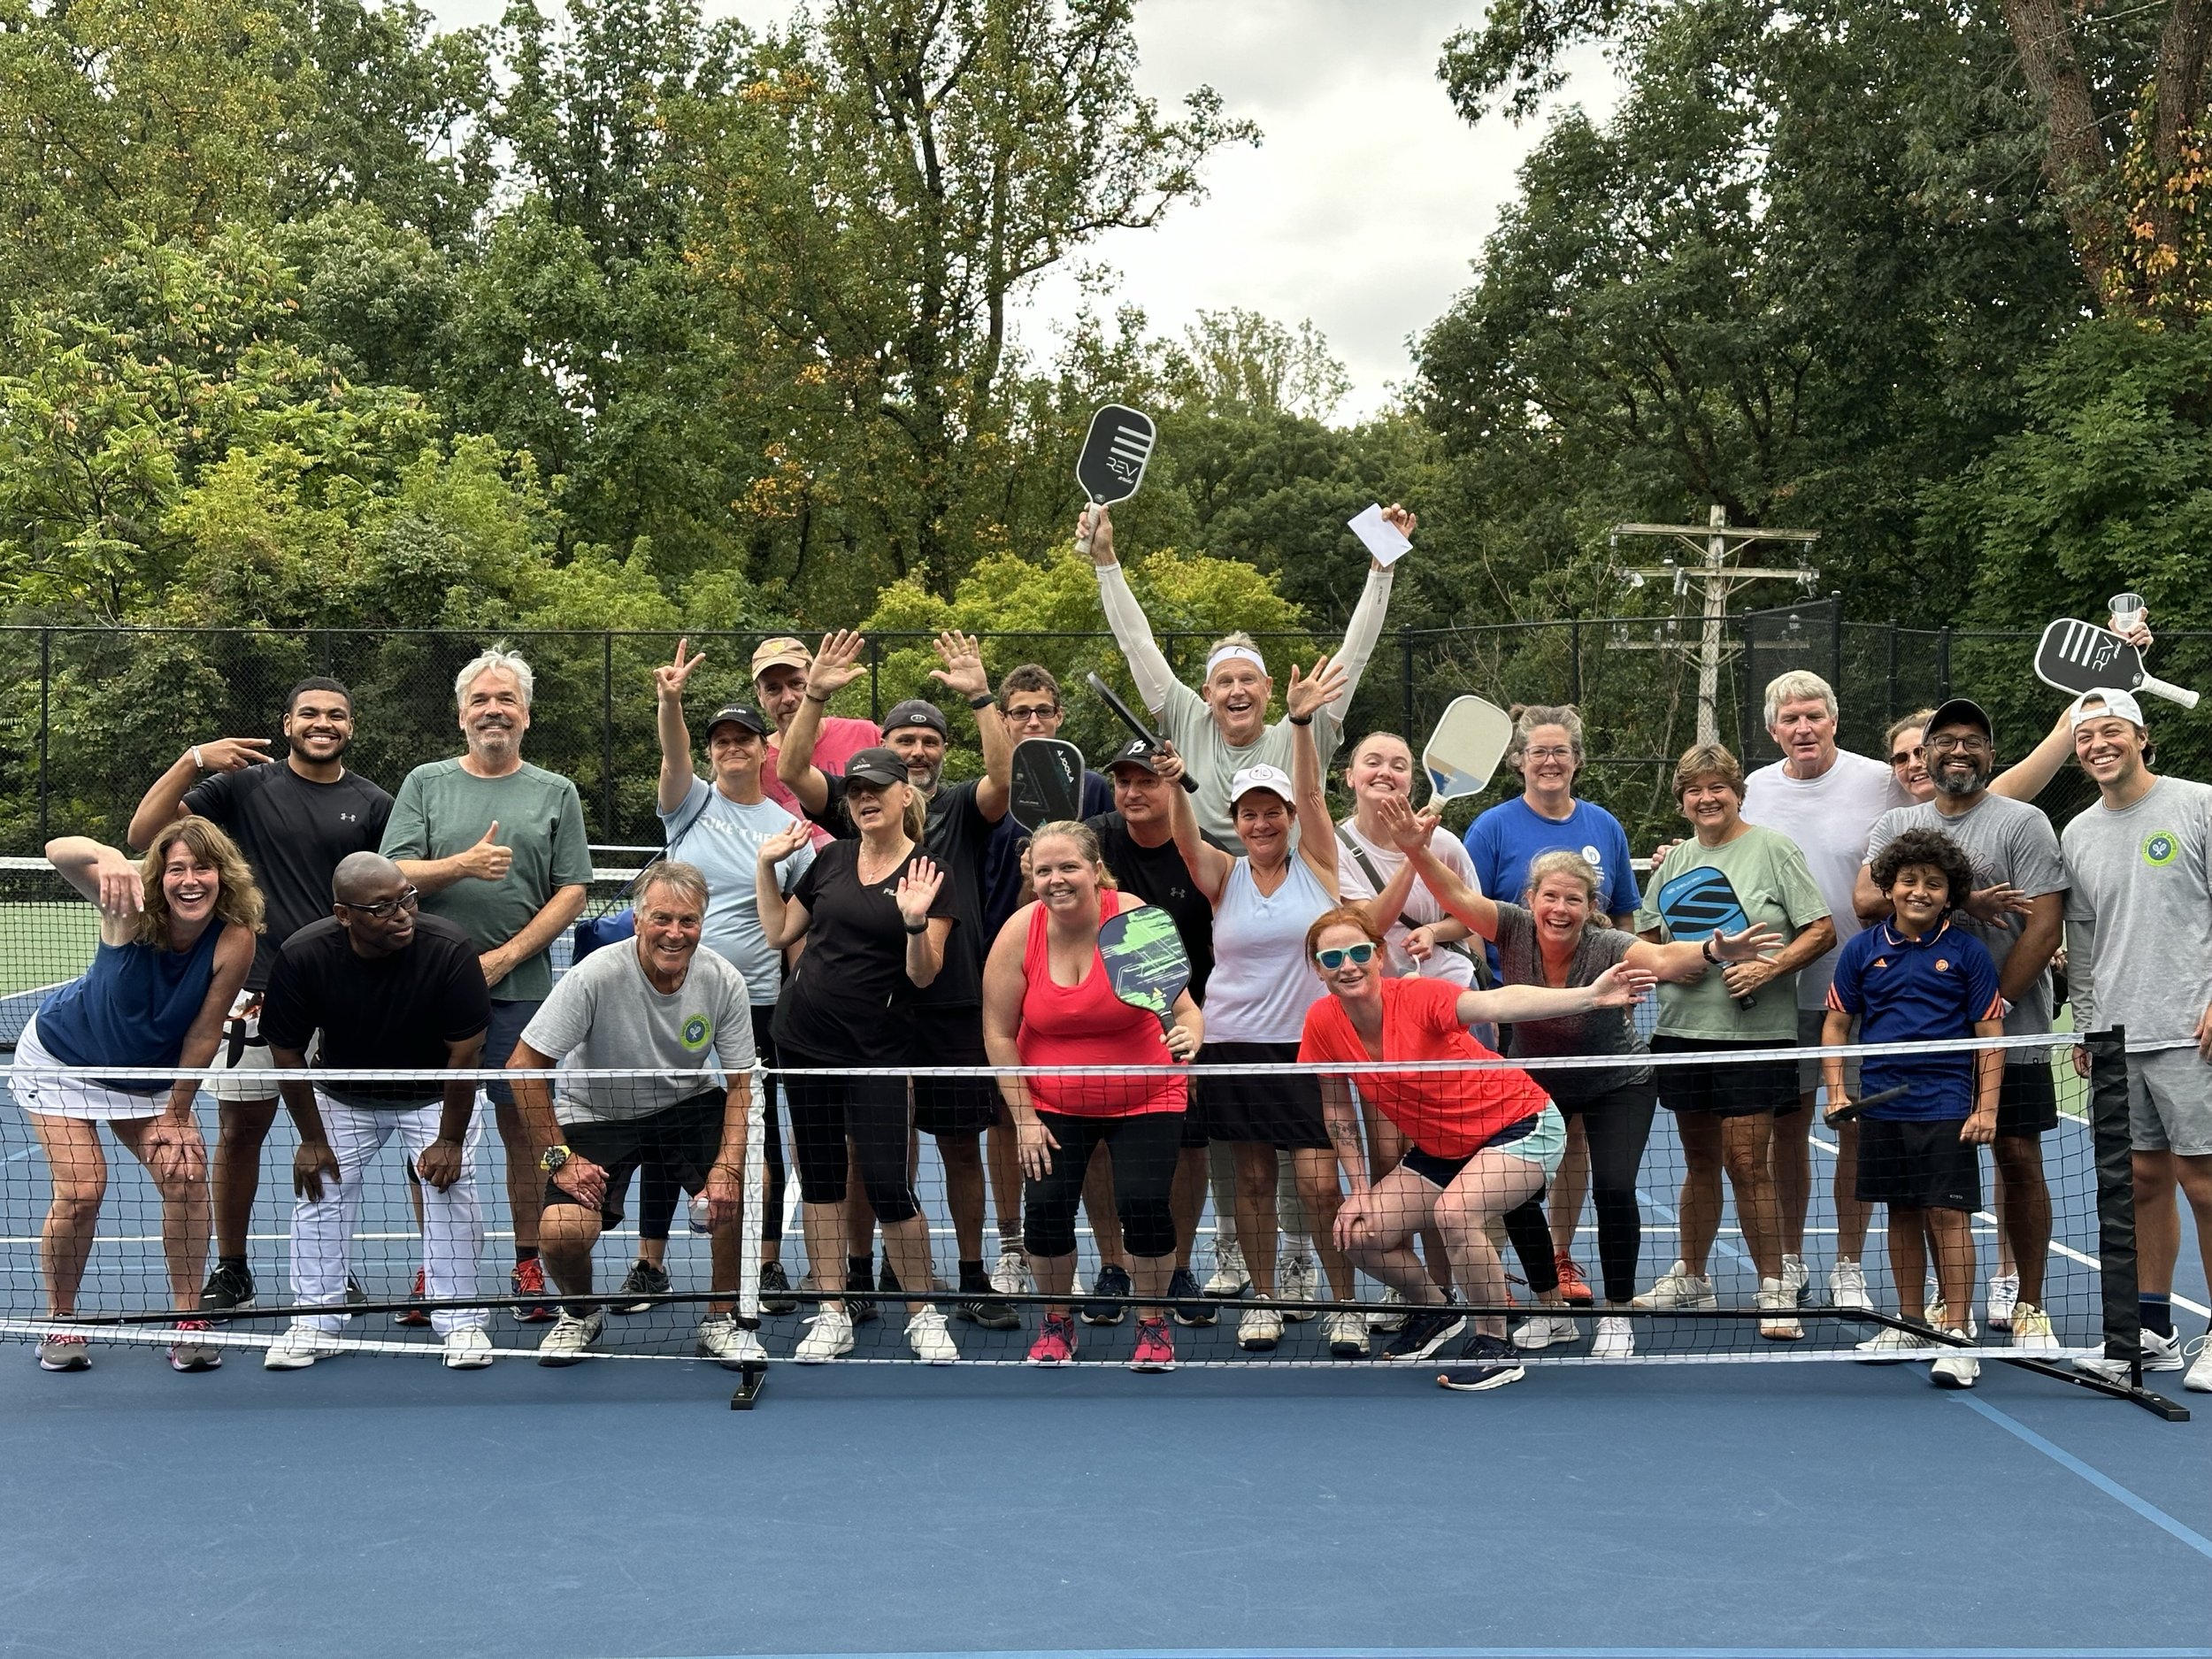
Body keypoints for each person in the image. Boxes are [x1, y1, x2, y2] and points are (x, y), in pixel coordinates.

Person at [1375, 798, 1779, 1358]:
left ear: (1592, 907)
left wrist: (1713, 949)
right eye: (1550, 896)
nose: (1559, 908)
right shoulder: (1510, 927)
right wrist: (1415, 849)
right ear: (1530, 900)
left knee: (1614, 1187)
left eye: (1573, 899)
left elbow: (1666, 960)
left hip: (1617, 1081)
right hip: (1535, 1087)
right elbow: (1456, 897)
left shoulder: (1609, 944)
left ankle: (1616, 1313)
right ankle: (1551, 1310)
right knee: (1515, 1197)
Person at [1298, 906, 1655, 1391]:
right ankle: (1437, 1310)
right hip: (1442, 1147)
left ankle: (1494, 1343)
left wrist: (1589, 996)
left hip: (1519, 1124)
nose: (1348, 966)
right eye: (1332, 958)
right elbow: (1337, 1107)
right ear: (1318, 969)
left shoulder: (1420, 997)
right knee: (1359, 1235)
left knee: (1455, 1213)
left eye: (1359, 952)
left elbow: (1500, 1003)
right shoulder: (1322, 1021)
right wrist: (1359, 1189)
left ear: (1380, 956)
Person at [125, 678, 393, 1317]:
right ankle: (234, 1268)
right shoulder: (241, 786)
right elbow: (143, 832)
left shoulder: (375, 804)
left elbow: (392, 891)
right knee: (240, 1132)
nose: (322, 723)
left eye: (336, 715)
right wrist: (194, 758)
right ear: (287, 723)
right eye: (310, 713)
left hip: (339, 998)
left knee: (333, 1138)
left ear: (351, 727)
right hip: (250, 995)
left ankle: (329, 1269)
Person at [778, 631, 1018, 1332]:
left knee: (959, 1143)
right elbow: (791, 769)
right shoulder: (859, 801)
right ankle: (856, 1275)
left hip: (948, 1001)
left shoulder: (963, 807)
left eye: (929, 740)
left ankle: (970, 1275)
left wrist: (982, 696)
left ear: (943, 751)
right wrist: (815, 693)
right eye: (904, 740)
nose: (917, 750)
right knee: (868, 1151)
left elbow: (1006, 779)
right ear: (883, 750)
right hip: (869, 1012)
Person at [380, 647, 592, 1324]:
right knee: (430, 1129)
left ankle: (529, 1263)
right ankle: (437, 1267)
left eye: (506, 699)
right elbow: (392, 872)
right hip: (426, 993)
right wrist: (463, 864)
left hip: (520, 991)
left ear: (525, 714)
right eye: (480, 699)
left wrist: (505, 957)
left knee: (524, 1129)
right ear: (461, 714)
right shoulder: (425, 783)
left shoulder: (556, 791)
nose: (493, 709)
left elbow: (573, 889)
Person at [1168, 653, 1368, 1356]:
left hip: (1309, 1046)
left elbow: (1312, 793)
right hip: (1233, 1044)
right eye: (1249, 813)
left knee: (1318, 1184)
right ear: (1237, 819)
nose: (1261, 823)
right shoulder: (1223, 875)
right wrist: (1175, 785)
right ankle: (1264, 1298)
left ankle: (1345, 1304)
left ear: (1288, 818)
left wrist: (1302, 723)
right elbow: (1185, 838)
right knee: (1251, 1181)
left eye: (1271, 812)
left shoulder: (1319, 865)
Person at [1856, 699, 2066, 1344]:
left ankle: (2030, 1304)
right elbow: (1866, 900)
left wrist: (1988, 1008)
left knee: (2018, 1157)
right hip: (1922, 1047)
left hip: (2011, 1030)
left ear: (1990, 755)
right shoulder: (1898, 823)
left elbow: (2045, 925)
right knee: (1923, 1180)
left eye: (1973, 740)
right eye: (1944, 740)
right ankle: (1936, 1312)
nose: (1958, 750)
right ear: (1924, 754)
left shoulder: (2024, 823)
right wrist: (1965, 898)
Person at [15, 823, 258, 1374]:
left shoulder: (235, 937)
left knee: (187, 1174)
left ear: (223, 875)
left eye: (203, 868)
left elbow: (204, 1032)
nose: (190, 881)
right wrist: (106, 854)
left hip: (148, 1075)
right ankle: (61, 1319)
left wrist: (178, 1113)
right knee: (82, 1191)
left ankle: (188, 1319)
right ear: (159, 877)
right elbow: (57, 851)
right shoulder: (127, 907)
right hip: (63, 1063)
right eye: (177, 869)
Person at [504, 863, 764, 1369]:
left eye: (688, 921)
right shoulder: (595, 975)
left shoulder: (723, 980)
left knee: (750, 1184)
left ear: (702, 923)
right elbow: (523, 1067)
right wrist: (560, 1159)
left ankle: (722, 1319)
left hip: (687, 1105)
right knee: (562, 1233)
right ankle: (580, 1313)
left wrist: (729, 1168)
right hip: (597, 1110)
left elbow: (741, 1083)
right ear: (638, 920)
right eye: (662, 918)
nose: (675, 933)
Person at [757, 746, 956, 1363]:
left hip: (876, 1051)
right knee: (820, 1181)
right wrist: (766, 867)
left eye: (876, 789)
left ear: (905, 795)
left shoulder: (930, 872)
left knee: (889, 1183)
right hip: (803, 1042)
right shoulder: (832, 858)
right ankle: (831, 1310)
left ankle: (923, 1314)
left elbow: (923, 975)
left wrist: (915, 922)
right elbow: (778, 932)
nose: (864, 799)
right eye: (855, 792)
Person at [257, 853, 494, 1371]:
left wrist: (450, 1140)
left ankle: (460, 1322)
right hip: (342, 1094)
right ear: (344, 915)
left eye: (407, 897)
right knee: (319, 1190)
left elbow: (465, 1054)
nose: (403, 914)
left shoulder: (449, 949)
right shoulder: (304, 955)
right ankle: (314, 1322)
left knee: (450, 1191)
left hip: (434, 1094)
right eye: (383, 907)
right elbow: (287, 1054)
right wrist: (311, 1139)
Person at [981, 820, 1202, 1369]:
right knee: (1046, 1209)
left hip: (1147, 1093)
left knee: (1144, 1205)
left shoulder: (1132, 919)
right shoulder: (1020, 932)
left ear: (1096, 870)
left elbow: (1185, 1009)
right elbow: (999, 1033)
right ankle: (1056, 1321)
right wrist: (1025, 1119)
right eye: (1044, 870)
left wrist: (1191, 1036)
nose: (1056, 879)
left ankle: (1152, 1323)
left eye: (1069, 867)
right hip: (1052, 1101)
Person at [1633, 743, 1836, 1339]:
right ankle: (1692, 1277)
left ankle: (1775, 1287)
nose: (1707, 798)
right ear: (1682, 801)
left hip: (1755, 1038)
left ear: (1737, 793)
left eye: (1717, 786)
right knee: (1699, 1161)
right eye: (1694, 790)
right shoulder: (1675, 861)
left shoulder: (1774, 849)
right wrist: (1674, 964)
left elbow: (1821, 929)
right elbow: (1649, 939)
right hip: (1682, 1033)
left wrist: (1768, 969)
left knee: (1747, 1162)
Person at [1739, 671, 1909, 1310]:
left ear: (1834, 720)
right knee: (1786, 1132)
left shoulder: (1881, 781)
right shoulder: (1755, 789)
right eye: (1790, 719)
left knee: (1854, 1130)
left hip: (1866, 990)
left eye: (1814, 715)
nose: (1803, 727)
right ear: (1773, 729)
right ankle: (1788, 1258)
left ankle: (1849, 1264)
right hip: (1781, 992)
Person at [1459, 703, 1641, 1304]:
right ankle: (1500, 1275)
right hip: (1518, 1021)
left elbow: (1623, 920)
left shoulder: (1605, 825)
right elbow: (1472, 915)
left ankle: (1561, 1260)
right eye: (1538, 751)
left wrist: (1622, 987)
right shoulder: (1492, 827)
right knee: (1513, 1158)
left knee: (1578, 1147)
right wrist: (1490, 997)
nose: (1549, 761)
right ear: (1519, 761)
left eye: (1560, 751)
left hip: (1595, 1027)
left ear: (1577, 760)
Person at [652, 639, 811, 1317]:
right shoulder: (688, 804)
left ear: (764, 747)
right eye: (720, 740)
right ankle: (649, 1261)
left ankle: (768, 1262)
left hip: (759, 1002)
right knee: (663, 1118)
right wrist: (670, 701)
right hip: (677, 994)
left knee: (761, 1130)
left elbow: (797, 927)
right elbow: (674, 755)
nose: (732, 747)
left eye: (743, 737)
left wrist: (800, 1001)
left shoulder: (789, 828)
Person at [2059, 689, 2212, 1394]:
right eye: (2086, 735)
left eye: (2111, 730)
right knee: (2142, 1181)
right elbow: (2083, 937)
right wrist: (2089, 1022)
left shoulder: (2198, 804)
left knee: (2204, 1183)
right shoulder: (2078, 832)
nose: (2099, 744)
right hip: (2120, 1039)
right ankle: (2151, 1331)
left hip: (2192, 1033)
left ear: (2142, 736)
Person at [1824, 828, 2005, 1388]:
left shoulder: (1968, 953)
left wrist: (1986, 1109)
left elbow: (1990, 1033)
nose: (1919, 892)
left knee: (1947, 1216)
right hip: (1881, 1104)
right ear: (1889, 887)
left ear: (1949, 894)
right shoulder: (1862, 950)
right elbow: (1836, 1024)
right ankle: (1908, 1323)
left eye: (1934, 883)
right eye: (1908, 880)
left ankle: (1957, 1334)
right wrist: (1837, 1092)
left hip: (1946, 1102)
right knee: (1900, 1212)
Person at [1331, 731, 1486, 1325]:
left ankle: (1458, 1289)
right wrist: (1408, 850)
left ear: (1412, 779)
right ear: (1350, 776)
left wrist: (1437, 931)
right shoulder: (1334, 846)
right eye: (1372, 762)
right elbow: (1365, 925)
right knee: (1390, 1152)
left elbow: (1470, 914)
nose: (1385, 772)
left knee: (1456, 1153)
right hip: (1376, 1023)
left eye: (1398, 764)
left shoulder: (1445, 842)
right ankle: (1417, 1292)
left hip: (1445, 1012)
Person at [978, 664, 1114, 1306]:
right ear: (1004, 721)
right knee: (1011, 1123)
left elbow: (1106, 881)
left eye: (1043, 710)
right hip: (1014, 978)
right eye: (1020, 711)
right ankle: (1016, 1249)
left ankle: (1113, 1261)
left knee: (1100, 1135)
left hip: (1089, 985)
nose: (1032, 720)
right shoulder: (989, 796)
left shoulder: (1096, 788)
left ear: (1059, 717)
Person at [1086, 736, 1226, 1323]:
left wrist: (1192, 1027)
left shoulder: (1202, 850)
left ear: (1172, 786)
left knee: (1187, 1149)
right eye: (1124, 781)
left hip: (1185, 1020)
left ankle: (1179, 1268)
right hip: (1102, 1023)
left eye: (1147, 780)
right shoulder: (1093, 841)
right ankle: (1113, 1266)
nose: (1133, 791)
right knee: (1098, 1145)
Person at [750, 634, 883, 845]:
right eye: (773, 689)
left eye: (796, 684)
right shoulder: (755, 759)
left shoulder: (865, 733)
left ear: (813, 679)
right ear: (759, 695)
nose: (788, 698)